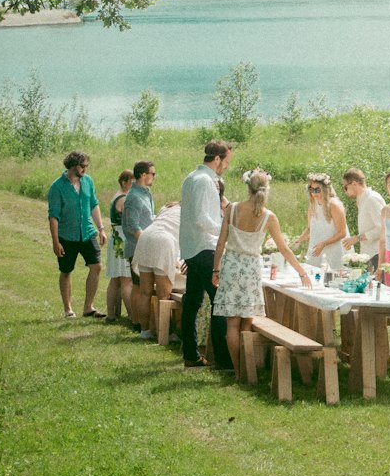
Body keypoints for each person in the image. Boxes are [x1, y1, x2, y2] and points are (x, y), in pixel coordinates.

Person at [213, 168, 309, 376]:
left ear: (247, 187)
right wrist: (301, 271)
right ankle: (247, 370)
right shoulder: (269, 217)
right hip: (251, 269)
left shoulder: (233, 209)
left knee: (232, 322)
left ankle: (238, 370)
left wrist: (216, 268)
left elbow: (221, 242)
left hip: (231, 265)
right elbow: (284, 249)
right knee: (247, 321)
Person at [179, 139, 233, 370]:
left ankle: (191, 355)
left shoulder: (192, 177)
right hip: (204, 248)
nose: (227, 167)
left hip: (194, 247)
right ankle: (223, 360)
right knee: (220, 302)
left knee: (192, 302)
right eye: (226, 162)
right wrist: (225, 233)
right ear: (217, 158)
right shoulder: (202, 181)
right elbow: (202, 218)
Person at [47, 150, 107, 320]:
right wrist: (56, 242)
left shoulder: (88, 181)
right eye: (83, 166)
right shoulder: (57, 187)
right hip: (67, 236)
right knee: (66, 271)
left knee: (96, 266)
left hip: (88, 233)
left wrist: (101, 228)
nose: (85, 169)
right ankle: (68, 309)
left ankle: (88, 307)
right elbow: (53, 217)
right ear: (73, 166)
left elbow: (94, 204)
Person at [132, 202, 183, 339]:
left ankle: (145, 331)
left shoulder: (167, 207)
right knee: (164, 295)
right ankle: (166, 334)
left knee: (145, 292)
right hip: (163, 241)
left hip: (146, 236)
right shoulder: (189, 211)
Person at [121, 160, 156, 327]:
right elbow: (133, 226)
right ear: (143, 175)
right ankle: (137, 322)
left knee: (140, 286)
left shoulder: (145, 193)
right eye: (152, 174)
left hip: (144, 245)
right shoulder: (134, 196)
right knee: (139, 287)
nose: (154, 177)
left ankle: (139, 321)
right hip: (137, 247)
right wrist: (147, 245)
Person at [292, 173, 350, 274]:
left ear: (325, 189)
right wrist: (297, 241)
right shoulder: (313, 206)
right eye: (311, 190)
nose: (314, 193)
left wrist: (324, 244)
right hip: (316, 249)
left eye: (317, 190)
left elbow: (342, 232)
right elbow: (310, 229)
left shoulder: (334, 205)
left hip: (333, 250)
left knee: (333, 279)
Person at [104, 169, 135, 322]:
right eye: (132, 182)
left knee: (115, 280)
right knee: (126, 280)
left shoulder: (117, 196)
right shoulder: (123, 198)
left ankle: (111, 314)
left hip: (116, 238)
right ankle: (132, 316)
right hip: (121, 240)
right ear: (124, 182)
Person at [342, 167, 384, 271]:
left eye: (345, 187)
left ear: (354, 184)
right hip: (368, 254)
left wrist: (356, 238)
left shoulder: (372, 199)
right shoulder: (363, 200)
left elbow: (382, 228)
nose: (345, 191)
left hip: (377, 253)